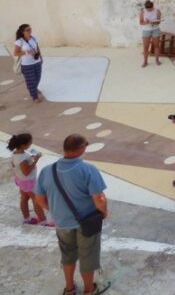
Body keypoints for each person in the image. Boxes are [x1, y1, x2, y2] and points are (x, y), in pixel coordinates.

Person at [34, 134, 111, 295]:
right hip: (87, 224)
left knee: (67, 256)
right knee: (87, 256)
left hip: (62, 223)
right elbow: (99, 198)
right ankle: (89, 289)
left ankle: (69, 288)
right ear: (81, 149)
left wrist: (54, 210)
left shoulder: (48, 171)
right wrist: (103, 213)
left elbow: (39, 199)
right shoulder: (88, 169)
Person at [7, 133, 53, 226]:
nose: (30, 145)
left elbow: (18, 166)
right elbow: (26, 172)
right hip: (29, 182)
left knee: (24, 198)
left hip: (21, 180)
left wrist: (30, 159)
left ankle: (27, 219)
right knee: (37, 201)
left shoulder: (16, 154)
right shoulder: (23, 158)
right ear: (23, 145)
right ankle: (43, 221)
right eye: (29, 143)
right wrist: (36, 160)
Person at [13, 23, 44, 103]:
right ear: (22, 32)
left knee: (38, 77)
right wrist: (27, 52)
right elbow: (16, 53)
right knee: (30, 81)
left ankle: (34, 88)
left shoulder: (33, 38)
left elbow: (37, 47)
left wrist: (40, 57)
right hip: (27, 65)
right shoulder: (19, 41)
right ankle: (34, 96)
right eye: (27, 30)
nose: (30, 31)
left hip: (36, 62)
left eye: (30, 29)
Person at [138, 0, 162, 67]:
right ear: (145, 7)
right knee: (145, 47)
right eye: (147, 9)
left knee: (156, 45)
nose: (149, 10)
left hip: (155, 29)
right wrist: (147, 23)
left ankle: (157, 60)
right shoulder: (142, 12)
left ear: (152, 6)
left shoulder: (157, 11)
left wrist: (154, 22)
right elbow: (141, 22)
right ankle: (145, 62)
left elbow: (159, 21)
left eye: (150, 9)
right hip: (146, 30)